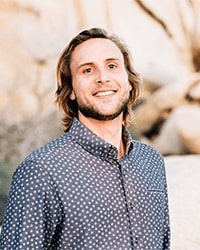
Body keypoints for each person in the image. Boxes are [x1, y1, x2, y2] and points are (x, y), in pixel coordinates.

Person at [0, 27, 170, 249]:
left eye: (112, 66)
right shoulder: (41, 171)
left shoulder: (151, 161)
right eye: (88, 70)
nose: (103, 78)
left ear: (128, 81)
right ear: (70, 90)